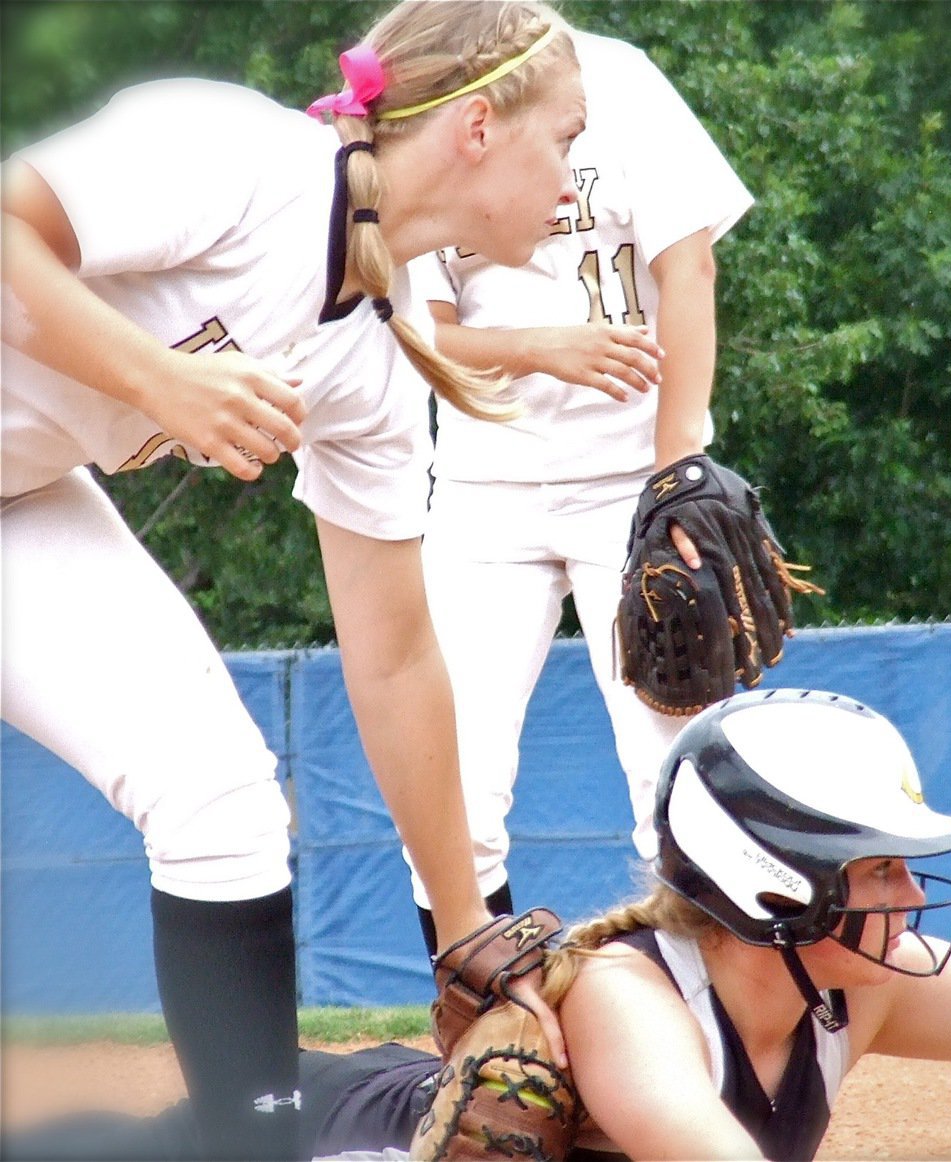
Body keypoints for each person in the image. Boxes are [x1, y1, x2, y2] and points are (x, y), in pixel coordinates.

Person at [0, 3, 582, 1156]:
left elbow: (396, 653)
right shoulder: (243, 158)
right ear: (477, 127)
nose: (575, 172)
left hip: (17, 501)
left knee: (220, 798)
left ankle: (249, 1141)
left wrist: (463, 929)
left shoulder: (373, 352)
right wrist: (160, 380)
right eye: (565, 135)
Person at [3, 618, 951, 1161]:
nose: (912, 893)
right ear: (775, 887)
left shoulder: (850, 988)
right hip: (312, 1141)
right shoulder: (629, 1000)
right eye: (878, 863)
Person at [405, 26, 756, 952]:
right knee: (455, 782)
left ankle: (696, 1020)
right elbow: (419, 330)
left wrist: (676, 473)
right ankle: (481, 1028)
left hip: (631, 485)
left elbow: (692, 264)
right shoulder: (435, 92)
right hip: (486, 486)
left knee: (672, 774)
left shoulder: (618, 78)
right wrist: (537, 346)